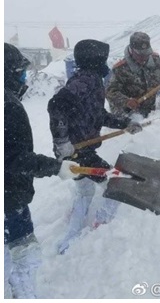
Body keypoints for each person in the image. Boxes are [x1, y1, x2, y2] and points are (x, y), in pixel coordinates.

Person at [47, 39, 142, 254]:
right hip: (78, 151)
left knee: (84, 191)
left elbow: (98, 115)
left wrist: (125, 124)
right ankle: (100, 229)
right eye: (103, 57)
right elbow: (56, 105)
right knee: (114, 182)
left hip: (77, 151)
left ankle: (69, 240)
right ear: (95, 59)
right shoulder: (87, 80)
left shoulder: (90, 80)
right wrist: (62, 143)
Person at [4, 43, 80, 298]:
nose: (23, 77)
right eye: (19, 72)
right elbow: (13, 159)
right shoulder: (8, 105)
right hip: (8, 201)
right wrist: (56, 167)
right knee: (23, 255)